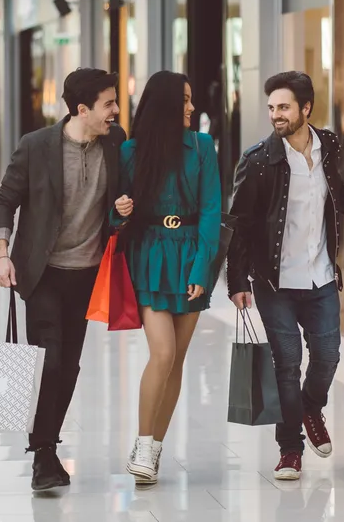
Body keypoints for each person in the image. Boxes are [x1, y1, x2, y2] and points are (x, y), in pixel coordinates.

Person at [0, 67, 125, 491]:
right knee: (50, 360)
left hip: (88, 275)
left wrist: (123, 209)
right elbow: (5, 199)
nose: (116, 111)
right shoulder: (37, 146)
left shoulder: (116, 142)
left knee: (69, 365)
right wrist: (1, 254)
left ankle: (46, 446)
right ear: (83, 109)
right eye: (109, 103)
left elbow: (123, 196)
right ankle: (43, 454)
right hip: (44, 272)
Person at [226, 71, 344, 481]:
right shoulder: (259, 158)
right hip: (274, 281)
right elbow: (240, 222)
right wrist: (237, 280)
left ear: (305, 108)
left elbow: (341, 197)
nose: (276, 115)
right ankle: (290, 449)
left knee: (328, 357)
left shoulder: (330, 145)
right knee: (287, 364)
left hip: (321, 277)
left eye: (283, 107)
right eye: (272, 108)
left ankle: (310, 407)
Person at [113, 71, 221, 484]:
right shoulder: (130, 151)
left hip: (192, 253)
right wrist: (116, 211)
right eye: (185, 100)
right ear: (164, 105)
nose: (192, 108)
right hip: (151, 255)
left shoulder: (202, 146)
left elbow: (212, 209)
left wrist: (201, 269)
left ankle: (155, 449)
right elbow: (116, 209)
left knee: (176, 356)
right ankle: (142, 442)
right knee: (162, 352)